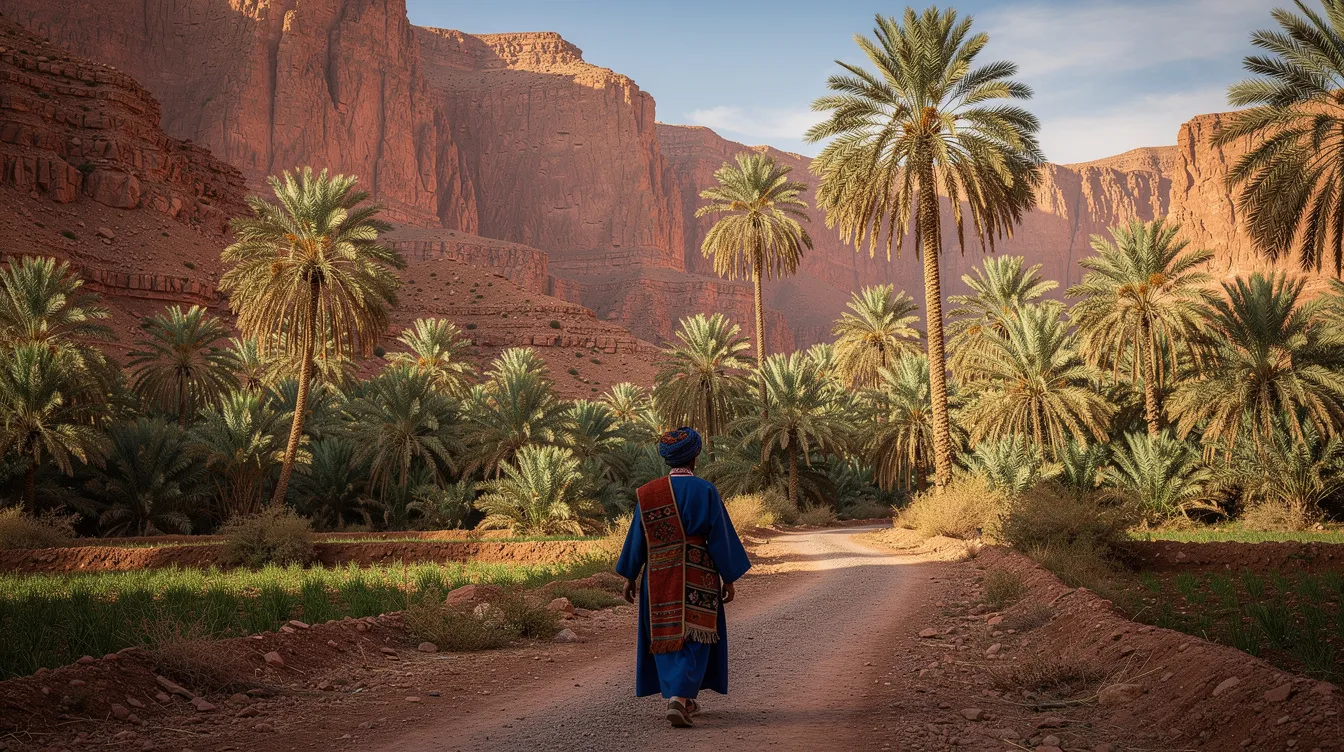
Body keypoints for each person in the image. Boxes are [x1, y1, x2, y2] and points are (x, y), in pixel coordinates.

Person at [615, 427, 751, 728]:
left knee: (665, 634)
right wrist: (728, 577)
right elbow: (719, 537)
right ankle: (679, 698)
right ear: (696, 456)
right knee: (694, 634)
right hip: (697, 571)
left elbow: (638, 538)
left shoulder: (648, 494)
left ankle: (683, 698)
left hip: (659, 575)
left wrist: (630, 575)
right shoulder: (705, 490)